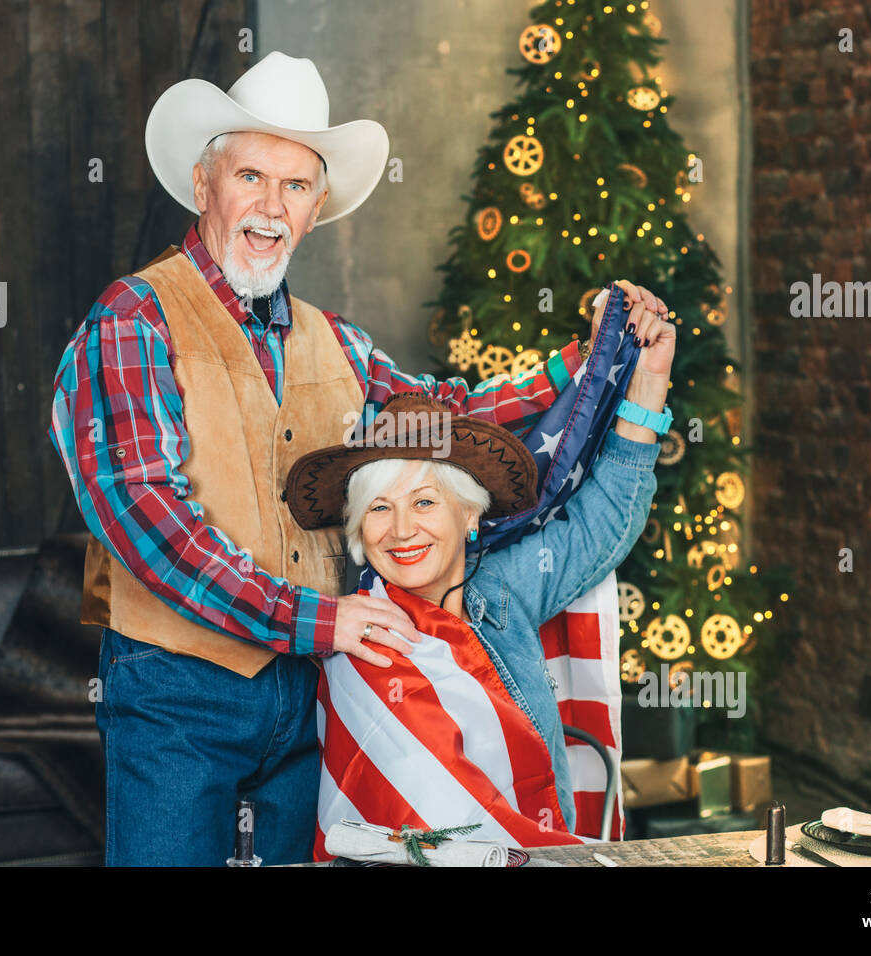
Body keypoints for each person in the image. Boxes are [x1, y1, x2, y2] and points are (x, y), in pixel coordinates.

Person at [50, 50, 672, 865]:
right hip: (180, 695)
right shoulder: (133, 316)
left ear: (315, 209)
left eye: (297, 186)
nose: (271, 206)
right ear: (204, 185)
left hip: (314, 693)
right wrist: (321, 620)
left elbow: (442, 419)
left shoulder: (336, 340)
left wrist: (577, 363)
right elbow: (148, 516)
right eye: (251, 177)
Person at [284, 297, 674, 856]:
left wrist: (650, 380)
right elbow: (435, 827)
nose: (401, 530)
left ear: (469, 515)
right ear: (358, 530)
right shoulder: (361, 641)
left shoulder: (503, 588)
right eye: (378, 508)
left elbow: (605, 521)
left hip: (552, 848)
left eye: (423, 502)